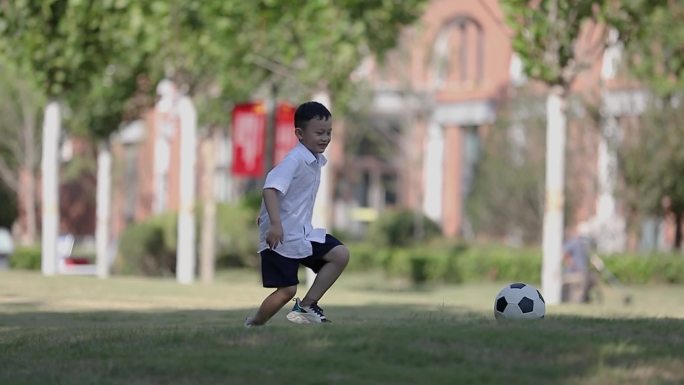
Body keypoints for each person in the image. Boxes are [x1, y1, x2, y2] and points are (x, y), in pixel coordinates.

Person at [244, 101, 350, 327]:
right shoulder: (295, 159)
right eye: (319, 133)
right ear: (300, 134)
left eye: (329, 133)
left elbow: (283, 193)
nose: (325, 138)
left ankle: (307, 305)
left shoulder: (314, 160)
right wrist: (273, 224)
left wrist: (264, 214)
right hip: (281, 236)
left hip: (302, 233)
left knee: (339, 254)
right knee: (286, 290)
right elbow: (270, 188)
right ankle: (254, 324)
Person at [561, 224, 596, 303]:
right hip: (573, 272)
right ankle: (579, 300)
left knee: (593, 278)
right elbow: (563, 253)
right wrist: (571, 263)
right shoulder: (574, 242)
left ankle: (585, 298)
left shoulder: (584, 245)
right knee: (583, 278)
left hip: (583, 272)